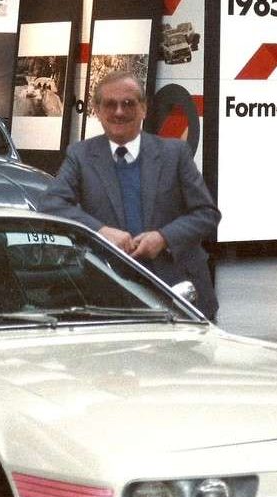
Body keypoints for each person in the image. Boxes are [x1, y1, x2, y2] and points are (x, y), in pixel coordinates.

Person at [38, 70, 221, 318]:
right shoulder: (80, 156)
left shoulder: (175, 154)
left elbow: (207, 214)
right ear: (97, 110)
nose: (119, 112)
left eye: (128, 103)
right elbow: (51, 205)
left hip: (180, 292)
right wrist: (100, 232)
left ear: (144, 109)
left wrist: (163, 238)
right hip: (112, 292)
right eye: (110, 104)